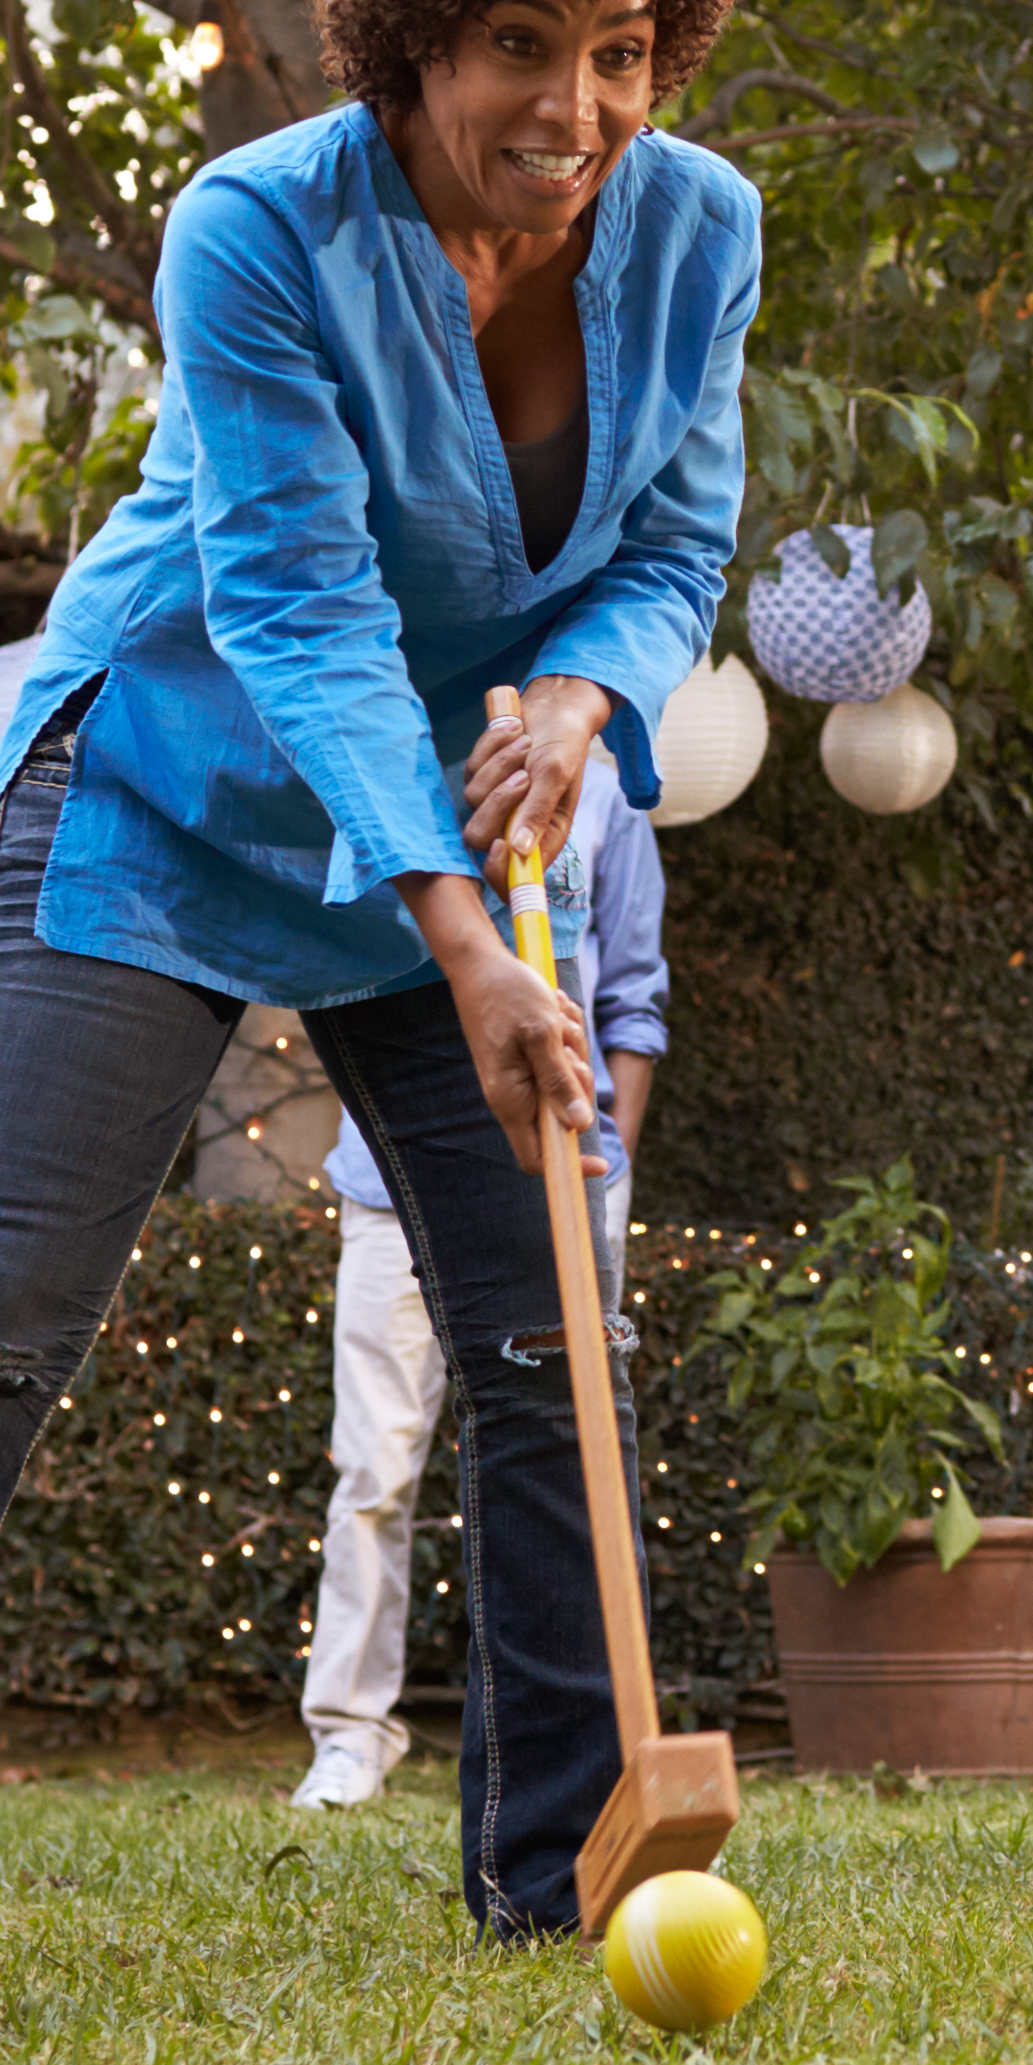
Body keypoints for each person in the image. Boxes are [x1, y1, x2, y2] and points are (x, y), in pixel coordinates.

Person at [0, 0, 755, 2000]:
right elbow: (293, 606)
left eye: (622, 46)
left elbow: (672, 548)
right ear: (411, 43)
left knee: (549, 1346)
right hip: (176, 797)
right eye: (517, 45)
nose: (575, 103)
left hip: (464, 810)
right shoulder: (259, 229)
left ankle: (558, 1873)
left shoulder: (700, 231)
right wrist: (459, 939)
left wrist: (580, 703)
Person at [295, 750, 661, 1813]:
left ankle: (596, 1747)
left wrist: (610, 1154)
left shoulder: (605, 800)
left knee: (569, 1454)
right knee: (374, 1466)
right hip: (389, 1177)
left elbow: (633, 992)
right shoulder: (397, 767)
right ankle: (352, 1733)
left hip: (566, 1172)